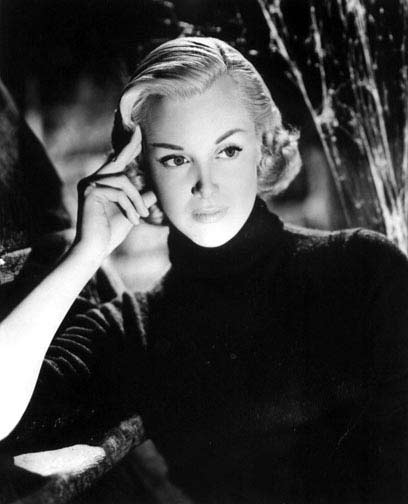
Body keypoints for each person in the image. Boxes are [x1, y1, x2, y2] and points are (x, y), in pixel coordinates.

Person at [1, 36, 408, 503]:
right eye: (175, 159)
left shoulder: (362, 267)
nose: (205, 185)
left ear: (263, 148)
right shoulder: (134, 332)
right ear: (141, 171)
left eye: (227, 151)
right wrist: (85, 255)